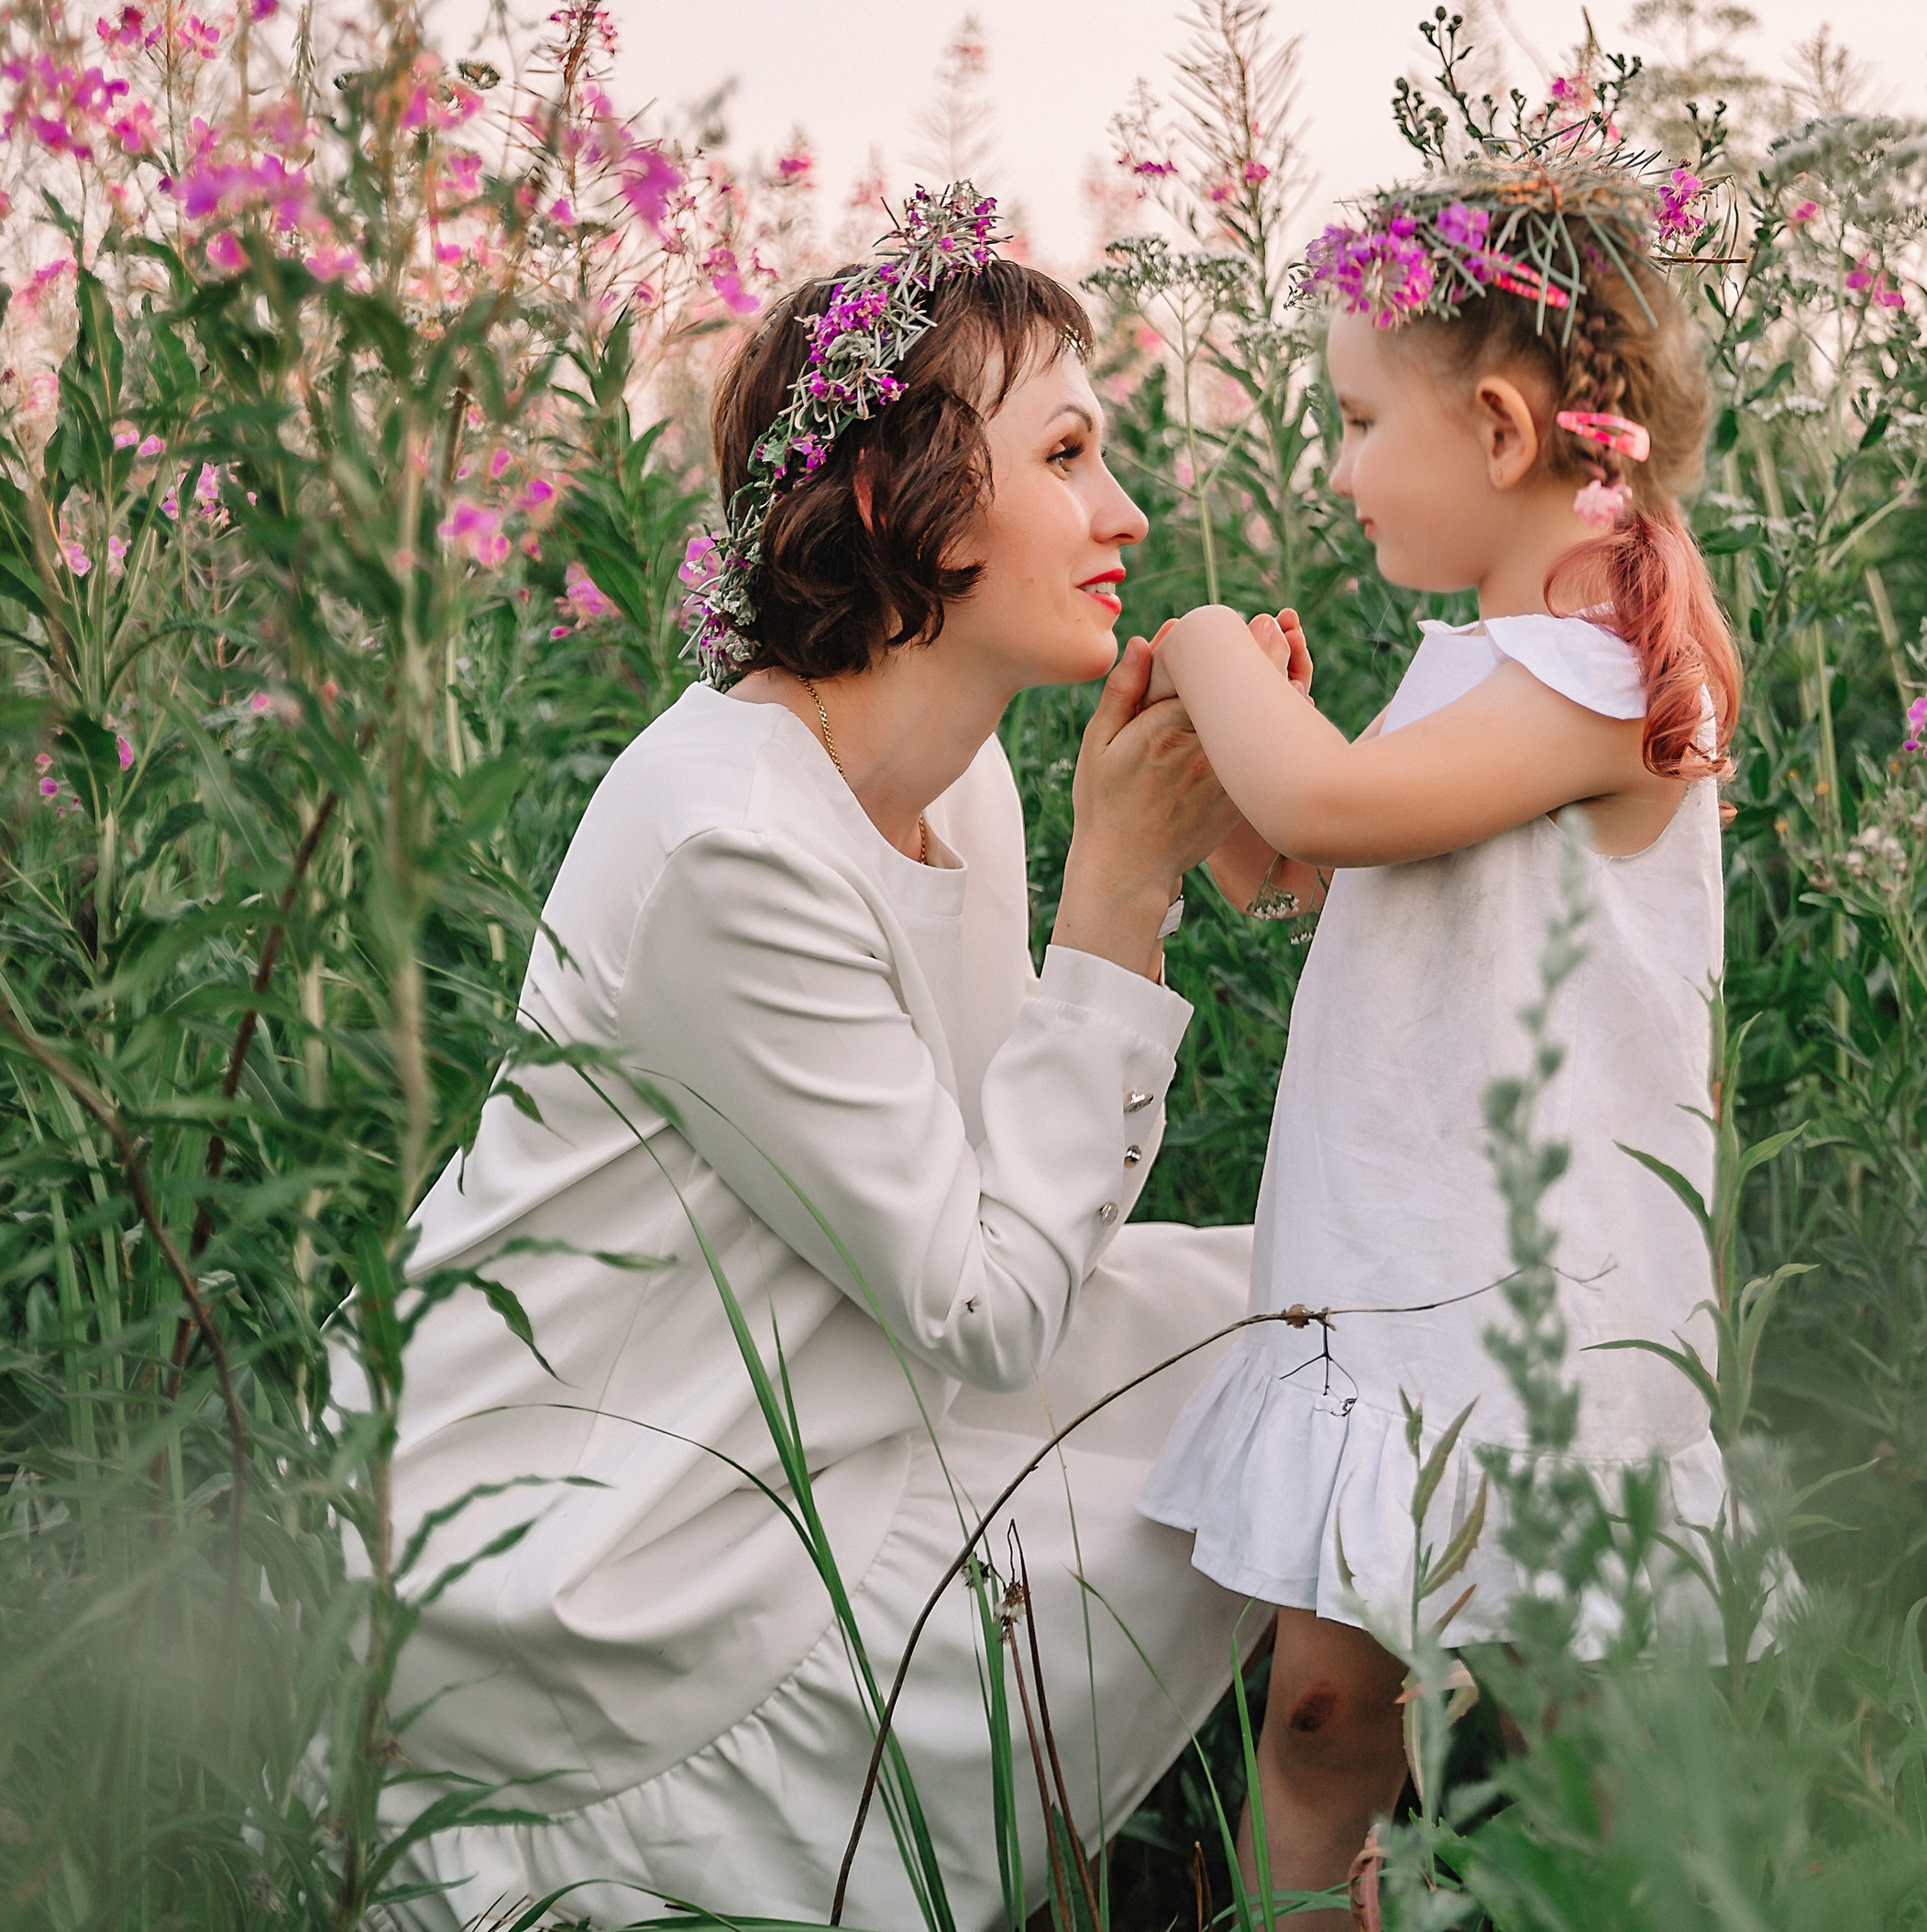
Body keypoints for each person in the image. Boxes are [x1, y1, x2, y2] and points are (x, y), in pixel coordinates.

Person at [346, 186, 1266, 1932]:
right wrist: (1123, 895)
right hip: (621, 1549)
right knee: (1279, 1436)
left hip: (839, 1395)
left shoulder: (962, 784)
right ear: (898, 503)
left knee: (1338, 1317)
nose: (1125, 510)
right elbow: (986, 1305)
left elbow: (1015, 1238)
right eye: (1066, 452)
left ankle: (1409, 1816)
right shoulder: (732, 843)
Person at [1137, 153, 1742, 1915]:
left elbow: (1332, 799)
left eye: (1349, 419)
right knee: (1327, 1710)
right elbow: (1331, 863)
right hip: (1389, 1265)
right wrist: (1254, 788)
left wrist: (1202, 647)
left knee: (1573, 1727)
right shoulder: (1481, 659)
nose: (1331, 465)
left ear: (1495, 431)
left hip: (1541, 1307)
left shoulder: (1603, 675)